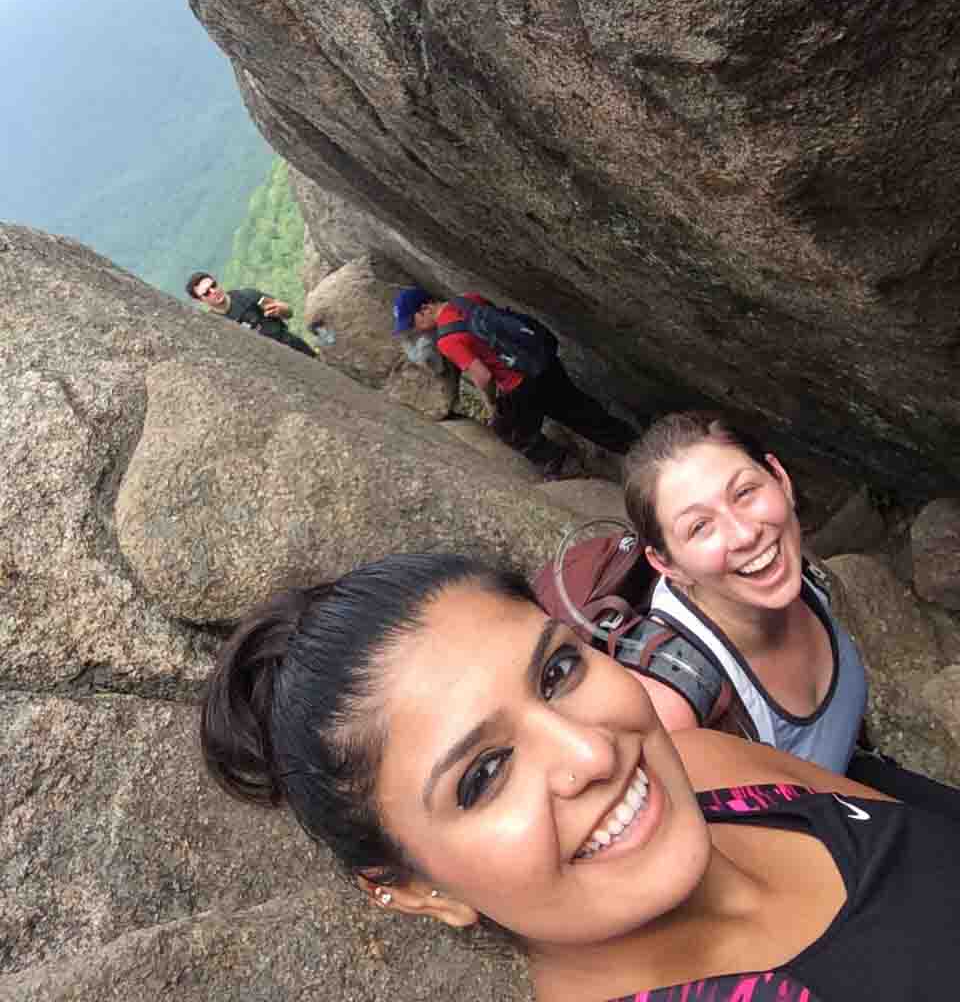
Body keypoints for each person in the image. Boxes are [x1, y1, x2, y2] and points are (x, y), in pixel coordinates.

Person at [201, 553, 960, 1002]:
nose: (593, 755)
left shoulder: (707, 766)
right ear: (417, 888)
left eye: (558, 672)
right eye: (483, 775)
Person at [622, 409, 960, 816]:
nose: (745, 534)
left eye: (744, 492)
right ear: (667, 564)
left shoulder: (792, 565)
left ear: (780, 479)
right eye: (700, 527)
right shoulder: (673, 704)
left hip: (850, 781)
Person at [392, 287, 636, 479]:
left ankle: (562, 465)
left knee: (507, 429)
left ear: (425, 308)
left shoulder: (447, 340)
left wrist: (491, 404)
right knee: (580, 410)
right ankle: (633, 444)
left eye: (412, 323)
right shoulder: (468, 298)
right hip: (541, 361)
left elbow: (483, 376)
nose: (415, 331)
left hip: (520, 383)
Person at [185, 272, 316, 359]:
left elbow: (289, 313)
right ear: (200, 300)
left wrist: (282, 310)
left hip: (293, 345)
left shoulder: (247, 295)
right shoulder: (215, 324)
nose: (213, 291)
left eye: (213, 285)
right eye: (206, 293)